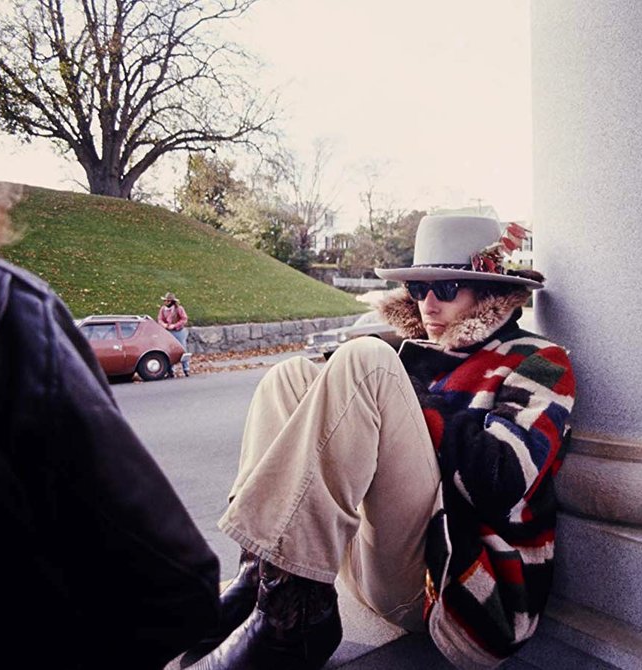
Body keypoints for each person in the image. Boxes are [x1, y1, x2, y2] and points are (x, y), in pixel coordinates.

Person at [181, 215, 576, 670]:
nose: (428, 303)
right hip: (371, 569)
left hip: (458, 589)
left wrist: (410, 392)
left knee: (366, 359)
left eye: (445, 289)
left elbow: (502, 481)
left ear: (487, 291)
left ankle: (288, 626)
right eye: (418, 288)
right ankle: (270, 587)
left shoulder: (540, 360)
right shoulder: (422, 350)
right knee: (289, 378)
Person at [0, 171, 222, 669]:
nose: (170, 306)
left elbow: (176, 326)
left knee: (185, 354)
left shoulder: (0, 307)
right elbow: (175, 582)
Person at [159, 290, 192, 376]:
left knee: (183, 350)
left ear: (171, 301)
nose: (165, 302)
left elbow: (184, 319)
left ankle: (186, 369)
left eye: (167, 301)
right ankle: (170, 370)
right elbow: (160, 319)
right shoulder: (163, 309)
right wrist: (165, 325)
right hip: (169, 332)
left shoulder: (179, 309)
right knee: (169, 351)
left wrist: (175, 325)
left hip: (179, 332)